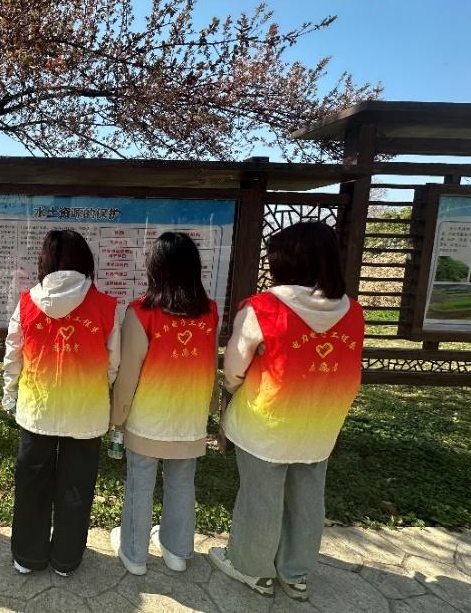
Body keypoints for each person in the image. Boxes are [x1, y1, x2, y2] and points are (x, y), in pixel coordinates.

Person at [208, 221, 364, 601]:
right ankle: (295, 574)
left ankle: (252, 568)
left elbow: (234, 369)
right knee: (307, 500)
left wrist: (234, 391)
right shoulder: (353, 312)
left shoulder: (263, 309)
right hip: (320, 425)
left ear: (287, 262)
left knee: (260, 498)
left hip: (266, 423)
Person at [2, 229, 123, 577]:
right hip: (86, 412)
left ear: (45, 262)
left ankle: (27, 557)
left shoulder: (26, 303)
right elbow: (113, 365)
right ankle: (66, 560)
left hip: (36, 409)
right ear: (85, 261)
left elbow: (13, 356)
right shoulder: (107, 307)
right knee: (77, 485)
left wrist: (10, 394)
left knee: (32, 483)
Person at [108, 232, 219, 576]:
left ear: (155, 268)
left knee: (140, 484)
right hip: (191, 418)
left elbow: (128, 375)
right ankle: (177, 551)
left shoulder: (141, 313)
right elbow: (210, 363)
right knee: (182, 484)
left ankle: (134, 554)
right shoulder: (210, 312)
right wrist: (212, 407)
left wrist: (117, 417)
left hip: (147, 419)